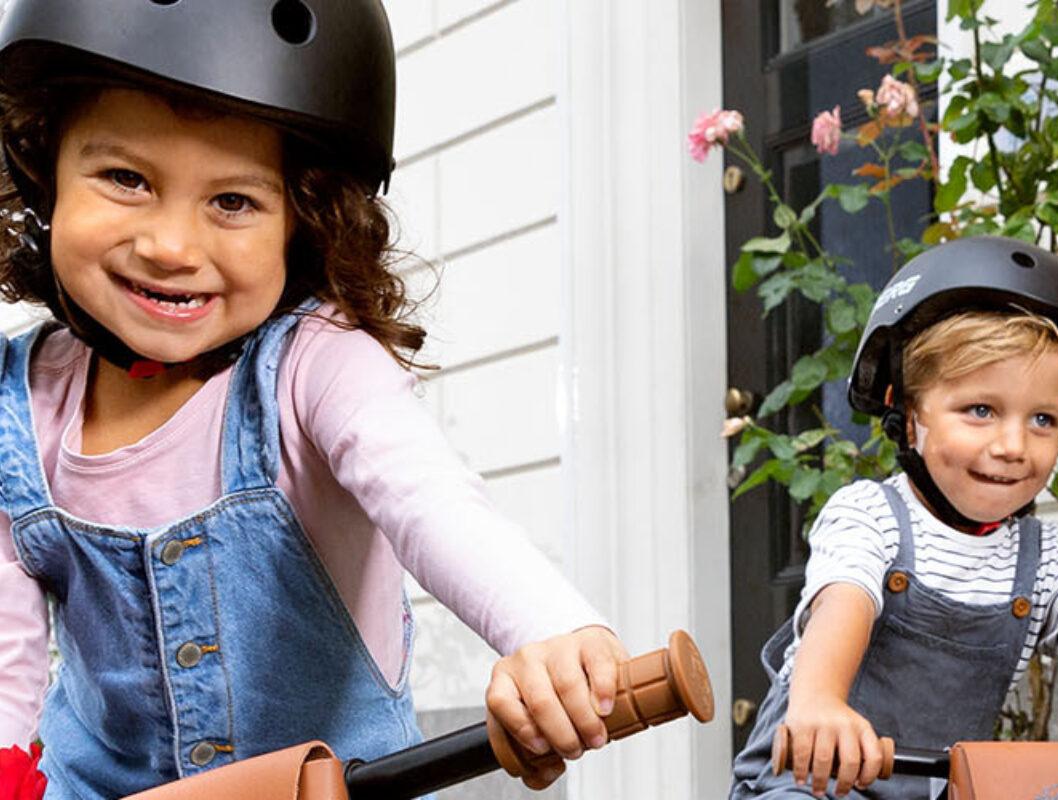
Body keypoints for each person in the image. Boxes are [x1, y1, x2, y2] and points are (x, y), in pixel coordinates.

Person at [0, 2, 624, 798]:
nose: (170, 246)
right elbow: (7, 666)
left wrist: (549, 630)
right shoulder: (18, 405)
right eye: (126, 178)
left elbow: (433, 503)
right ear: (44, 172)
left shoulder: (316, 367)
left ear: (305, 221)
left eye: (233, 202)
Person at [730, 236, 1058, 800]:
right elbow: (844, 603)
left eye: (1042, 419)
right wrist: (819, 703)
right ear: (910, 416)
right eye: (980, 411)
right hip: (807, 784)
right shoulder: (870, 517)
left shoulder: (1045, 561)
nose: (1013, 445)